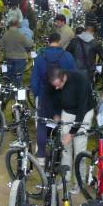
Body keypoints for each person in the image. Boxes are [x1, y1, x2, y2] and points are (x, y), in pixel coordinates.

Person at [47, 67, 95, 192]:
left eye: (58, 85)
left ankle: (79, 181)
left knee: (79, 151)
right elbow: (53, 98)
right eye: (54, 86)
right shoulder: (55, 83)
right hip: (66, 112)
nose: (57, 88)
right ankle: (65, 178)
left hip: (83, 114)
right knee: (65, 149)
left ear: (64, 78)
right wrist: (56, 113)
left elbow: (82, 109)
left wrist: (72, 133)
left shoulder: (80, 80)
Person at [30, 33, 75, 165]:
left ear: (48, 41)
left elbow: (34, 80)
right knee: (62, 124)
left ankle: (41, 157)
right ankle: (59, 155)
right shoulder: (67, 57)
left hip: (45, 94)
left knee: (42, 124)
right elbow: (72, 77)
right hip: (62, 95)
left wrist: (38, 94)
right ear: (59, 42)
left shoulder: (40, 57)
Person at [1, 19, 33, 87]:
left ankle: (8, 92)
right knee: (18, 77)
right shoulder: (21, 34)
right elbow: (29, 45)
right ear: (17, 24)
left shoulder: (6, 34)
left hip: (9, 57)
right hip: (20, 58)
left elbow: (2, 45)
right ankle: (17, 91)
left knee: (9, 75)